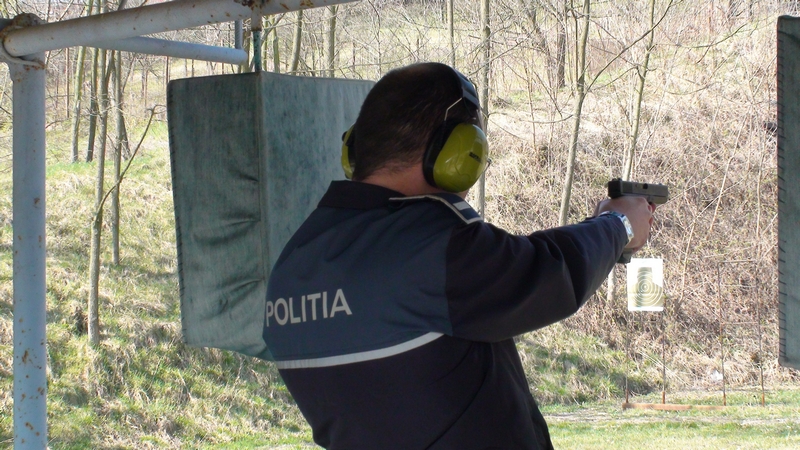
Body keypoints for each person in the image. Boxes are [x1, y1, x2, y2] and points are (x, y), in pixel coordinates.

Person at [262, 62, 655, 449]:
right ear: (458, 152)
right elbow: (550, 272)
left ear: (355, 149)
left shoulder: (293, 264)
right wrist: (619, 224)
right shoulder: (426, 244)